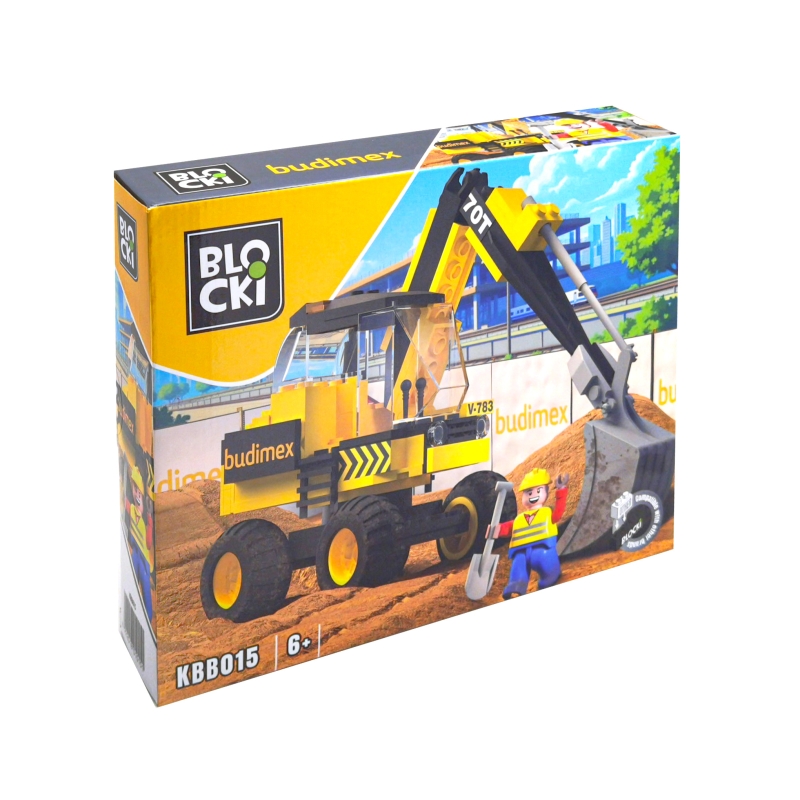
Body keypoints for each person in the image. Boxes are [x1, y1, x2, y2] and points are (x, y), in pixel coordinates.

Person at [495, 469, 569, 599]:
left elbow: (558, 513)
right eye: (529, 492)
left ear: (546, 492)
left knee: (545, 561)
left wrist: (561, 490)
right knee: (518, 566)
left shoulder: (547, 512)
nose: (533, 495)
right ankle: (516, 585)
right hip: (521, 551)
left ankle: (551, 575)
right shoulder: (520, 518)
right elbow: (510, 528)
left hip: (543, 547)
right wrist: (496, 530)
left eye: (538, 491)